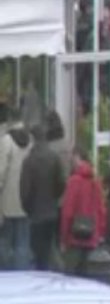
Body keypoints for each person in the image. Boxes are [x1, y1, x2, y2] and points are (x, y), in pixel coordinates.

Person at [19, 123, 65, 271]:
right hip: (52, 211)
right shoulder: (54, 157)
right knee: (50, 247)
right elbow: (62, 183)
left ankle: (42, 277)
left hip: (36, 214)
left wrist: (28, 209)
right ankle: (55, 274)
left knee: (37, 252)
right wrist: (54, 198)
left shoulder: (29, 161)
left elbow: (24, 190)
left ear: (33, 138)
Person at [60, 148, 106, 276]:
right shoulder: (94, 181)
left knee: (70, 276)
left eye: (73, 157)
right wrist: (100, 232)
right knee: (86, 278)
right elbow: (101, 209)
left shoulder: (73, 181)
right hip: (91, 235)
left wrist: (63, 238)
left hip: (74, 236)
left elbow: (67, 212)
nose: (71, 160)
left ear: (78, 157)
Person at [0, 111, 32, 269]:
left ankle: (6, 277)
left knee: (5, 242)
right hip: (25, 201)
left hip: (7, 200)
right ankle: (22, 275)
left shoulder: (6, 141)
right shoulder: (30, 141)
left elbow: (1, 171)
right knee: (23, 244)